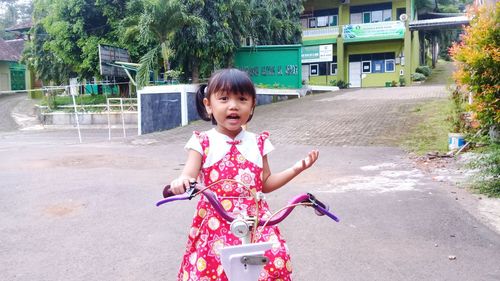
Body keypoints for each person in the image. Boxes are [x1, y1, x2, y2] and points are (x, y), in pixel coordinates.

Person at [169, 68, 319, 281]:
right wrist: (183, 181)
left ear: (252, 105)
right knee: (209, 267)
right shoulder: (202, 141)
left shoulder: (259, 142)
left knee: (276, 259)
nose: (233, 105)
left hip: (256, 218)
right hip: (216, 219)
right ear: (208, 105)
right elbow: (189, 175)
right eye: (223, 98)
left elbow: (265, 183)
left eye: (242, 99)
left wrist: (297, 168)